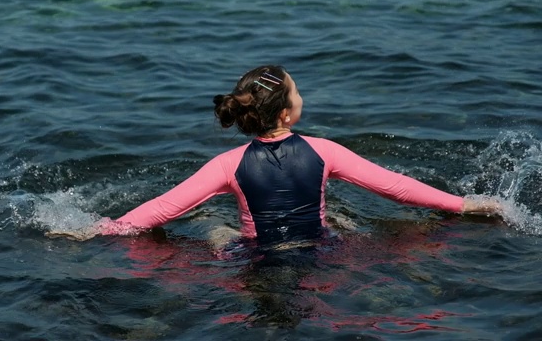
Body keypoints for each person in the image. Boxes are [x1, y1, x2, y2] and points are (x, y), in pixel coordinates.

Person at [91, 65, 500, 244]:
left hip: (253, 257)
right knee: (349, 225)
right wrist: (463, 205)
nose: (303, 95)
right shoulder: (324, 152)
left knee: (214, 230)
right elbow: (396, 187)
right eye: (298, 90)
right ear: (287, 112)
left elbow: (163, 209)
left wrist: (100, 231)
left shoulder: (226, 164)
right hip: (321, 250)